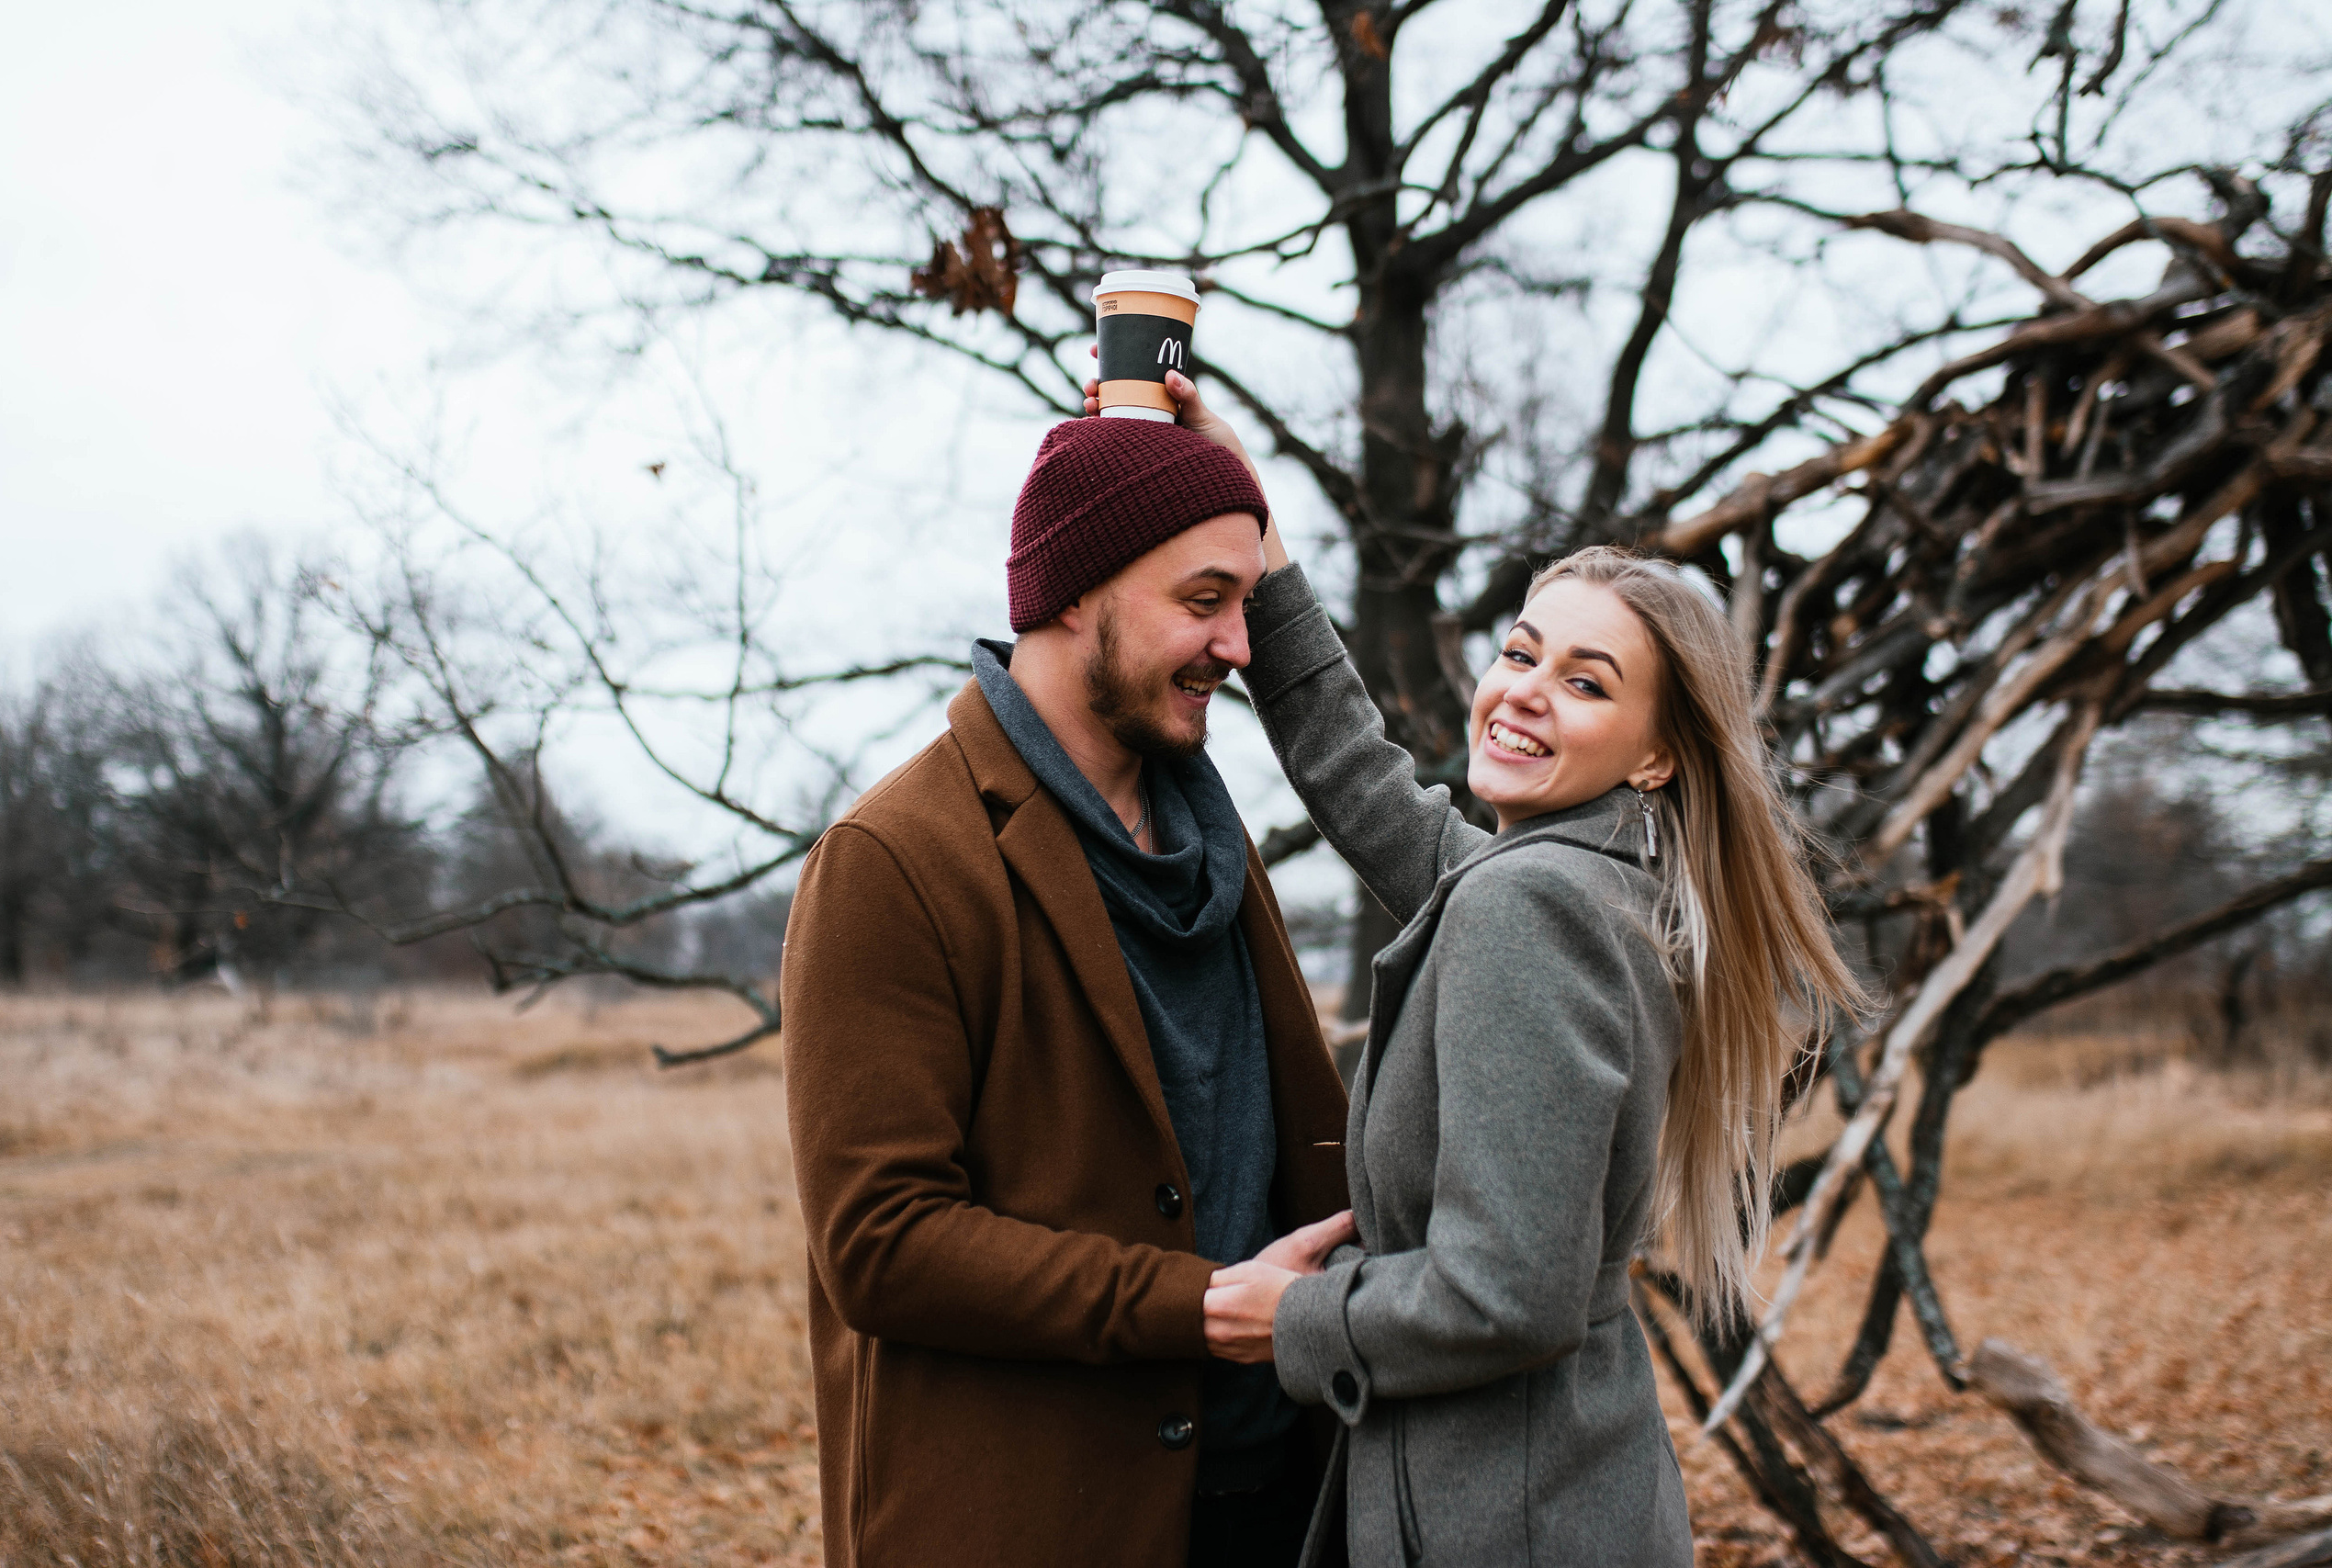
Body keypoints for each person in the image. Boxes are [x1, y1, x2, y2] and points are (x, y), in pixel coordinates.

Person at [1088, 374, 1865, 1566]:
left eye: (1586, 681)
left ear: (1658, 753)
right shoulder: (1594, 887)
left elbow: (1510, 1293)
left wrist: (1287, 1316)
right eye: (1522, 650)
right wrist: (1254, 523)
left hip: (1498, 1522)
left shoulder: (1533, 905)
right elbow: (1363, 777)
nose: (1522, 693)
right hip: (1563, 1493)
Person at [779, 410, 1358, 1568]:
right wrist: (1192, 1306)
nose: (1240, 647)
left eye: (1245, 604)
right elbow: (882, 1242)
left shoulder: (1207, 832)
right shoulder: (895, 857)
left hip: (1277, 1503)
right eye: (1203, 602)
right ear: (1073, 591)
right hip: (1036, 1521)